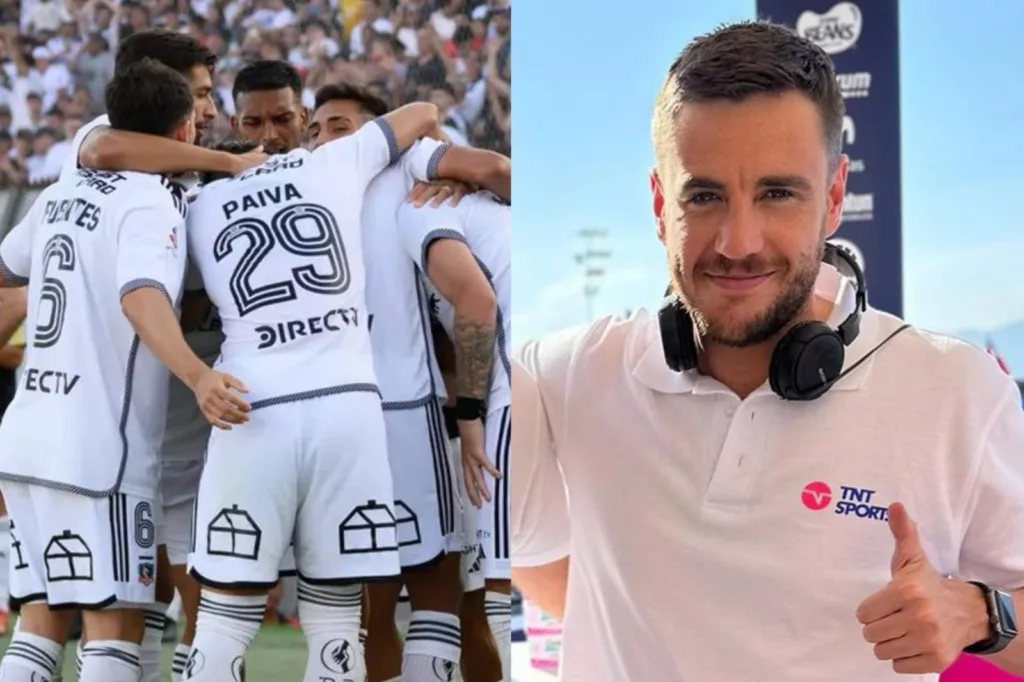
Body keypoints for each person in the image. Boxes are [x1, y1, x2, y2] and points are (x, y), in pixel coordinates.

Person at [512, 21, 1024, 681]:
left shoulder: (956, 391)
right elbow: (522, 547)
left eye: (777, 193)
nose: (738, 241)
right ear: (660, 203)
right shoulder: (566, 376)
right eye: (704, 196)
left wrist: (978, 615)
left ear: (835, 196)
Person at [180, 62, 447, 681]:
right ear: (235, 119)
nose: (269, 133)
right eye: (255, 121)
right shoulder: (338, 161)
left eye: (280, 119)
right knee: (331, 621)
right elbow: (425, 114)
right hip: (342, 410)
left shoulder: (196, 200)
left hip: (254, 408)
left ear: (303, 119)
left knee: (229, 616)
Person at [0, 58, 247, 682]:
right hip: (99, 450)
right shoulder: (151, 199)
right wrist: (198, 374)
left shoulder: (60, 190)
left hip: (27, 436)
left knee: (41, 619)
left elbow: (7, 284)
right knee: (115, 626)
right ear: (185, 129)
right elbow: (141, 296)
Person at [58, 29, 265, 682]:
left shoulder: (182, 166)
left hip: (181, 422)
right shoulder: (113, 148)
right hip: (124, 419)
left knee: (184, 594)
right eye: (201, 95)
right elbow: (100, 145)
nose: (210, 111)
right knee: (121, 606)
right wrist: (232, 166)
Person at [309, 81, 510, 682]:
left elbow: (498, 169)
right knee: (394, 598)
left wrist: (452, 168)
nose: (324, 139)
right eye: (315, 129)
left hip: (431, 409)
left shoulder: (407, 174)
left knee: (463, 593)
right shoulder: (308, 184)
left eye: (341, 127)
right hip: (375, 409)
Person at [397, 192, 512, 682]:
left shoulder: (422, 206)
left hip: (510, 402)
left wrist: (469, 419)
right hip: (542, 392)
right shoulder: (490, 207)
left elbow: (477, 302)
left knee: (505, 599)